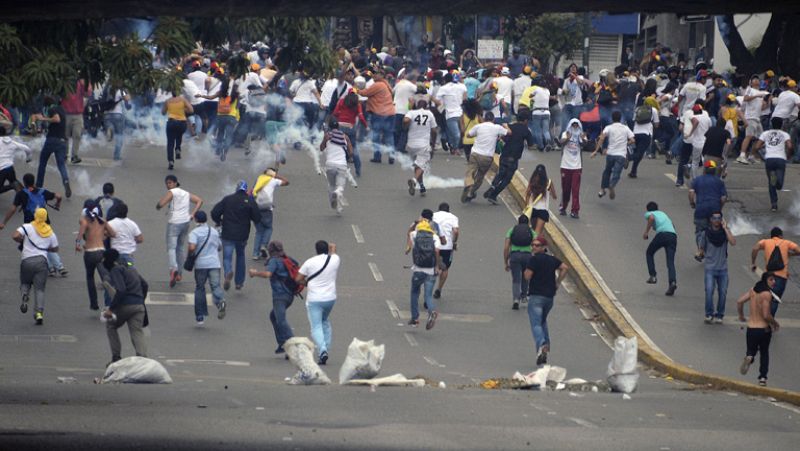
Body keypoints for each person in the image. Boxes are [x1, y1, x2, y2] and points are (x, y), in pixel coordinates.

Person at [0, 173, 67, 277]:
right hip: (45, 223)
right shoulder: (42, 191)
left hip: (31, 226)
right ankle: (58, 267)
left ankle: (51, 268)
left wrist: (3, 222)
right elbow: (59, 196)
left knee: (38, 246)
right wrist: (57, 204)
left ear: (24, 182)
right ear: (34, 181)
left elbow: (13, 209)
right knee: (47, 243)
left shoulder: (21, 194)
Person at [524, 237, 569, 365]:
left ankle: (542, 344)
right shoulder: (551, 260)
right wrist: (558, 282)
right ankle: (545, 348)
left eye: (537, 245)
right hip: (549, 297)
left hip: (536, 296)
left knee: (536, 324)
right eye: (532, 245)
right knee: (543, 321)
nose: (533, 247)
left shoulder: (534, 260)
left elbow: (527, 276)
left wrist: (527, 271)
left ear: (543, 247)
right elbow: (565, 267)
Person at [295, 240, 341, 365]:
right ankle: (325, 348)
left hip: (314, 299)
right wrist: (331, 248)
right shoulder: (334, 260)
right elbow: (334, 249)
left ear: (316, 250)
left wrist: (307, 284)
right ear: (327, 249)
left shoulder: (310, 262)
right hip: (330, 298)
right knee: (325, 322)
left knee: (316, 326)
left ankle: (322, 350)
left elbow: (298, 279)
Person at [100, 248, 148, 365]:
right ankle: (142, 359)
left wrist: (111, 309)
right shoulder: (132, 269)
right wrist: (141, 300)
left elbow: (121, 290)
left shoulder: (116, 270)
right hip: (139, 307)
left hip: (126, 305)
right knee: (136, 331)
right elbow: (145, 284)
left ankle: (116, 358)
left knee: (111, 326)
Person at [211, 180, 261, 291]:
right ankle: (239, 282)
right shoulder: (250, 201)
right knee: (240, 256)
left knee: (227, 257)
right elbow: (257, 218)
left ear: (237, 189)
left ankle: (228, 272)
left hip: (228, 233)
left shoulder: (228, 199)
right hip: (242, 235)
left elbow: (214, 212)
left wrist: (219, 221)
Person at [12, 208, 59, 325]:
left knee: (25, 283)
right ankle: (39, 314)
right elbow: (55, 248)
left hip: (26, 261)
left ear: (35, 215)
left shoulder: (27, 227)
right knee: (40, 289)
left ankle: (24, 296)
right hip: (42, 263)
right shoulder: (50, 232)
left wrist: (22, 240)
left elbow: (15, 235)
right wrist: (45, 247)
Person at [249, 241, 296, 355]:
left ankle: (293, 345)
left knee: (280, 319)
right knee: (273, 316)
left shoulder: (274, 261)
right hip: (290, 294)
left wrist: (255, 273)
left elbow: (268, 274)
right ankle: (282, 343)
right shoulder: (288, 259)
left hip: (280, 295)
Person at [157, 175, 203, 288]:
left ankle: (174, 269)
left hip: (174, 223)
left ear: (175, 183)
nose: (168, 185)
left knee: (172, 247)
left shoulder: (172, 192)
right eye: (167, 183)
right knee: (180, 248)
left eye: (170, 183)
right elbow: (199, 201)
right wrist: (192, 214)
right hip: (185, 222)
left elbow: (160, 204)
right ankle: (179, 274)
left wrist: (159, 205)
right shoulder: (185, 193)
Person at [736, 272, 780, 386]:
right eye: (771, 279)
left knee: (751, 351)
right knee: (764, 353)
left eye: (774, 280)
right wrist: (774, 323)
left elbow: (739, 301)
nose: (774, 282)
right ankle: (763, 378)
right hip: (763, 329)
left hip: (751, 328)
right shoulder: (766, 294)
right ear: (766, 280)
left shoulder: (753, 290)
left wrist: (741, 316)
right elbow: (766, 315)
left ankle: (749, 357)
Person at [484, 109, 534, 204]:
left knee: (501, 173)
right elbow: (531, 145)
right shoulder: (526, 130)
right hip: (514, 157)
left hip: (505, 154)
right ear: (526, 120)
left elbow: (503, 134)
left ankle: (493, 186)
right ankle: (493, 195)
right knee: (507, 179)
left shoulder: (510, 126)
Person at [76, 201, 116, 310]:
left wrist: (77, 244)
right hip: (101, 251)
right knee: (104, 274)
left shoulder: (85, 221)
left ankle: (94, 304)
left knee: (90, 277)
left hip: (89, 252)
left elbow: (81, 232)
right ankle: (106, 283)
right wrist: (104, 234)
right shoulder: (103, 221)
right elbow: (113, 234)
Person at [751, 227, 800, 316]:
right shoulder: (787, 242)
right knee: (774, 300)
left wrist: (753, 263)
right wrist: (792, 254)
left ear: (771, 236)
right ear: (781, 235)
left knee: (765, 298)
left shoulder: (766, 242)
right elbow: (799, 250)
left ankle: (763, 318)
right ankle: (769, 320)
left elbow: (755, 248)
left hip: (768, 276)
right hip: (781, 277)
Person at [188, 211, 226, 325]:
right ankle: (221, 301)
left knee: (200, 288)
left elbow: (192, 247)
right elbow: (219, 247)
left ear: (195, 219)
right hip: (214, 263)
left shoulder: (194, 233)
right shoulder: (213, 231)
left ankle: (200, 316)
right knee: (215, 285)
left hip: (201, 265)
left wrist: (191, 254)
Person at [406, 210, 441, 330]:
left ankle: (415, 319)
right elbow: (437, 251)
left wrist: (413, 223)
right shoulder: (435, 236)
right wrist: (436, 266)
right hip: (431, 270)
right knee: (428, 296)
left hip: (418, 269)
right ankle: (432, 311)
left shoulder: (415, 234)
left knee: (415, 292)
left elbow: (409, 234)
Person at [463, 112, 509, 203]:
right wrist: (505, 126)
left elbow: (468, 135)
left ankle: (469, 184)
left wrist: (478, 134)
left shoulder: (479, 126)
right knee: (480, 176)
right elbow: (508, 132)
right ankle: (471, 191)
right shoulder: (497, 128)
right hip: (487, 157)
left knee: (470, 172)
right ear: (493, 119)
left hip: (475, 154)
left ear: (484, 118)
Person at [698, 212, 736, 323]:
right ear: (710, 220)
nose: (716, 220)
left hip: (722, 268)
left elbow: (733, 242)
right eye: (714, 218)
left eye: (719, 218)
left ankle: (720, 314)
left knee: (723, 292)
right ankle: (709, 314)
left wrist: (725, 228)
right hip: (710, 268)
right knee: (709, 291)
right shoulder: (706, 233)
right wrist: (700, 253)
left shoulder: (724, 233)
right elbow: (701, 248)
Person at [32, 95, 71, 198]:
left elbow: (56, 119)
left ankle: (39, 185)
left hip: (52, 139)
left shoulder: (52, 109)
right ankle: (66, 180)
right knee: (61, 164)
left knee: (43, 163)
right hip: (62, 141)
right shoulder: (62, 109)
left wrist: (43, 118)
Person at [591, 111, 634, 200]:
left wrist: (596, 150)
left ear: (612, 118)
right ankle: (612, 185)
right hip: (621, 155)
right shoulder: (625, 128)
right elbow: (632, 140)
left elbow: (602, 138)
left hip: (610, 153)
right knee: (617, 173)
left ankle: (602, 189)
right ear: (620, 118)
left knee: (607, 171)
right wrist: (625, 143)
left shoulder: (608, 127)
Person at [689, 160, 727, 261]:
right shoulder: (719, 182)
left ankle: (700, 250)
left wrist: (692, 203)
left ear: (704, 170)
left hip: (701, 210)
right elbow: (723, 198)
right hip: (715, 210)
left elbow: (691, 193)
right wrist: (719, 208)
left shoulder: (697, 180)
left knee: (700, 230)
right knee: (714, 230)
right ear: (714, 170)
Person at [754, 117, 793, 212]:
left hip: (769, 159)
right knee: (779, 184)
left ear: (771, 124)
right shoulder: (785, 134)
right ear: (781, 125)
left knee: (772, 182)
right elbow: (790, 146)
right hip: (780, 159)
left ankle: (774, 204)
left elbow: (757, 146)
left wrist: (761, 155)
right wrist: (788, 155)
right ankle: (778, 184)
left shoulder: (765, 133)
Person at [251, 168, 289, 260]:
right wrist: (276, 175)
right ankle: (263, 245)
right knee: (268, 228)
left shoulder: (259, 179)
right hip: (267, 209)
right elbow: (286, 182)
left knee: (259, 231)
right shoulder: (273, 180)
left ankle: (255, 254)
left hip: (256, 208)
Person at [361, 68, 397, 164]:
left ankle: (377, 156)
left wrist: (356, 89)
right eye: (374, 73)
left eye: (377, 74)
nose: (375, 75)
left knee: (376, 135)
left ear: (382, 75)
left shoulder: (378, 85)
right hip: (390, 112)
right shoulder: (386, 84)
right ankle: (391, 156)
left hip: (379, 113)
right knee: (389, 136)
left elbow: (364, 93)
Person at [643, 202, 678, 296]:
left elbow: (651, 218)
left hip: (662, 234)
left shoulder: (650, 213)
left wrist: (646, 232)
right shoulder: (663, 213)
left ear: (648, 209)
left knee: (649, 253)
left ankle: (652, 275)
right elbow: (672, 225)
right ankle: (672, 282)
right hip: (672, 236)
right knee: (670, 262)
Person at [403, 99, 437, 196]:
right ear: (426, 106)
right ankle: (414, 180)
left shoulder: (411, 112)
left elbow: (406, 120)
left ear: (417, 105)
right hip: (423, 145)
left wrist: (405, 124)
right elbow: (434, 131)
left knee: (418, 166)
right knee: (422, 166)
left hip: (411, 145)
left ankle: (422, 187)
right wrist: (433, 144)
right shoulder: (429, 114)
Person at [319, 120, 353, 215]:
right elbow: (351, 152)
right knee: (340, 186)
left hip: (330, 165)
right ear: (339, 127)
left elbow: (321, 148)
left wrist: (325, 139)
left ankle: (337, 207)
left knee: (331, 185)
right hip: (342, 165)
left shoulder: (327, 136)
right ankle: (338, 193)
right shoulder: (345, 137)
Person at [505, 214, 535, 310]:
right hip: (527, 256)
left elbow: (506, 247)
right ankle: (524, 296)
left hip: (515, 255)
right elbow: (536, 245)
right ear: (528, 223)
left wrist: (506, 261)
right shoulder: (531, 231)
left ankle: (515, 299)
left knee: (516, 278)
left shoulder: (512, 230)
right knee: (526, 276)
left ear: (518, 222)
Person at [434, 73, 467, 155]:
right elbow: (465, 97)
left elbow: (437, 101)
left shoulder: (443, 88)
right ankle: (455, 148)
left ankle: (453, 147)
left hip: (449, 114)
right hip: (459, 113)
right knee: (458, 133)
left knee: (454, 133)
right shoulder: (462, 86)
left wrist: (441, 105)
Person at [738, 75, 769, 164]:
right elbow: (746, 98)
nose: (756, 80)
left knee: (759, 138)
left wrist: (767, 102)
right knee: (749, 136)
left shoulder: (761, 93)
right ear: (751, 82)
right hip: (750, 116)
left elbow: (761, 108)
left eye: (757, 79)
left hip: (757, 117)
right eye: (754, 79)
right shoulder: (750, 89)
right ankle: (742, 155)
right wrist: (757, 95)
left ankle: (752, 155)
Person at [558, 118, 585, 218]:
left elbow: (585, 144)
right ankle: (563, 207)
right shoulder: (566, 134)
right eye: (573, 125)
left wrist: (582, 139)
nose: (574, 127)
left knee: (575, 190)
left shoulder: (581, 135)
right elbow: (560, 143)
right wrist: (567, 139)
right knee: (566, 189)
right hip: (565, 165)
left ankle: (575, 210)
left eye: (576, 125)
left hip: (577, 167)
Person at [432, 203, 459, 300]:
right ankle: (439, 289)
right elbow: (455, 231)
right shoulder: (453, 217)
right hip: (447, 246)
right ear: (448, 210)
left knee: (433, 265)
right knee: (445, 268)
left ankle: (429, 285)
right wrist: (454, 242)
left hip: (434, 244)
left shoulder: (433, 215)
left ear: (439, 209)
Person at [61, 79, 91, 164]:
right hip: (66, 112)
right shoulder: (66, 82)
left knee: (77, 135)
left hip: (78, 114)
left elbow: (88, 93)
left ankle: (74, 155)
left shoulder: (81, 82)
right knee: (65, 136)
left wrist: (84, 84)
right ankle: (64, 154)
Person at [161, 89, 193, 170]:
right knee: (179, 135)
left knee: (170, 142)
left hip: (171, 122)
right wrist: (183, 110)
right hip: (182, 123)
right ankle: (178, 148)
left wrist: (168, 109)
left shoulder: (167, 101)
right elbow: (191, 110)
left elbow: (163, 112)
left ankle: (171, 161)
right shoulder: (183, 100)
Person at [628, 98, 660, 178]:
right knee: (639, 153)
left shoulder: (638, 109)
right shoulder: (654, 110)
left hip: (636, 133)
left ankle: (633, 172)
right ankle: (628, 158)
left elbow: (633, 120)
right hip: (646, 133)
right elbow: (656, 124)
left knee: (638, 153)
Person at [524, 164, 557, 237]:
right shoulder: (549, 182)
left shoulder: (532, 181)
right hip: (543, 211)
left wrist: (527, 206)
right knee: (538, 232)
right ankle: (536, 246)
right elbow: (554, 196)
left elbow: (528, 194)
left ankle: (535, 245)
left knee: (533, 230)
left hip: (533, 210)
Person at [0, 127, 32, 194]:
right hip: (9, 168)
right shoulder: (12, 142)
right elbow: (27, 149)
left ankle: (12, 186)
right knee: (15, 182)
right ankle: (28, 195)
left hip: (1, 169)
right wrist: (28, 158)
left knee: (12, 185)